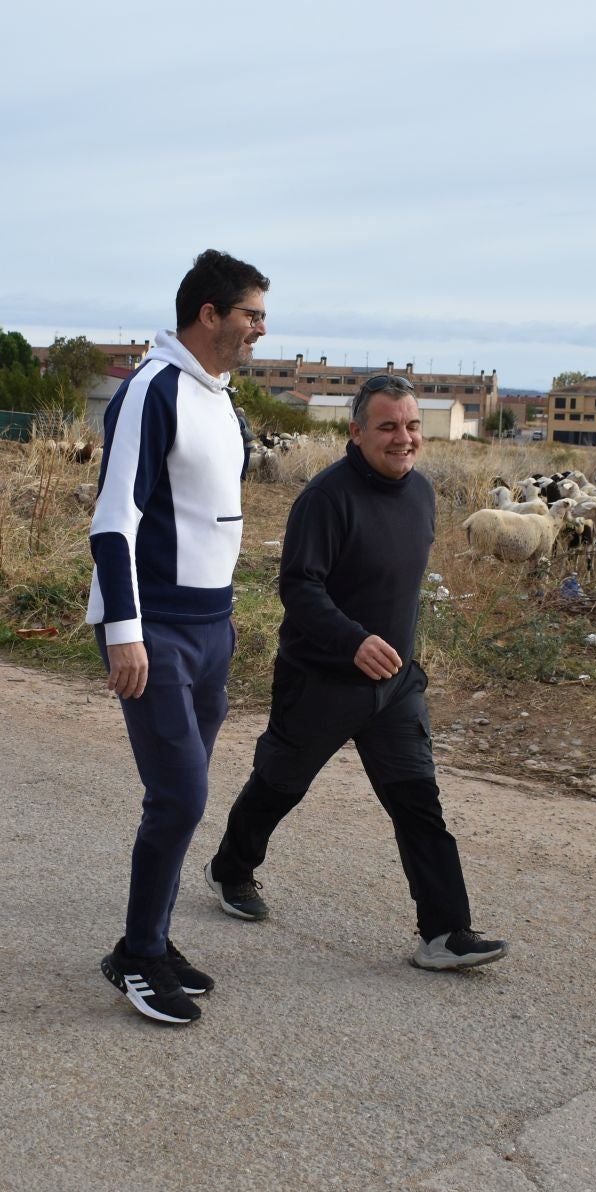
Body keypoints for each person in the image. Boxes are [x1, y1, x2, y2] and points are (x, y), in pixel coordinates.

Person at [203, 374, 509, 972]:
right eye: (388, 426)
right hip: (320, 680)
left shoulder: (422, 493)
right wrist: (353, 641)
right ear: (357, 431)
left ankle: (444, 933)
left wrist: (394, 652)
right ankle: (230, 869)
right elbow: (299, 586)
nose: (404, 438)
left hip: (395, 685)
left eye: (413, 425)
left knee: (418, 801)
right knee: (280, 785)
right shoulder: (326, 498)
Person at [89, 249, 267, 1025]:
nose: (261, 329)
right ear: (209, 315)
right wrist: (124, 630)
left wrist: (223, 617)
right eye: (251, 314)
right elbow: (113, 519)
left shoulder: (222, 398)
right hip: (154, 630)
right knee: (181, 795)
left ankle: (152, 942)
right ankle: (135, 954)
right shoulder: (152, 389)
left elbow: (208, 517)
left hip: (209, 627)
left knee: (180, 801)